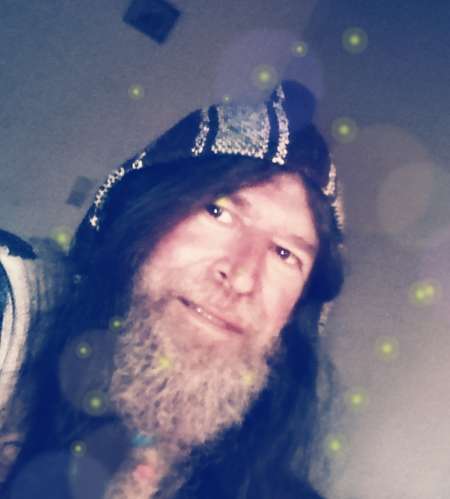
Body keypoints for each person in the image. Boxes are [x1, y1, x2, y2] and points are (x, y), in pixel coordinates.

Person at [0, 80, 344, 498]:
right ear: (141, 216)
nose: (241, 276)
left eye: (285, 254)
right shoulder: (16, 314)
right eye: (217, 212)